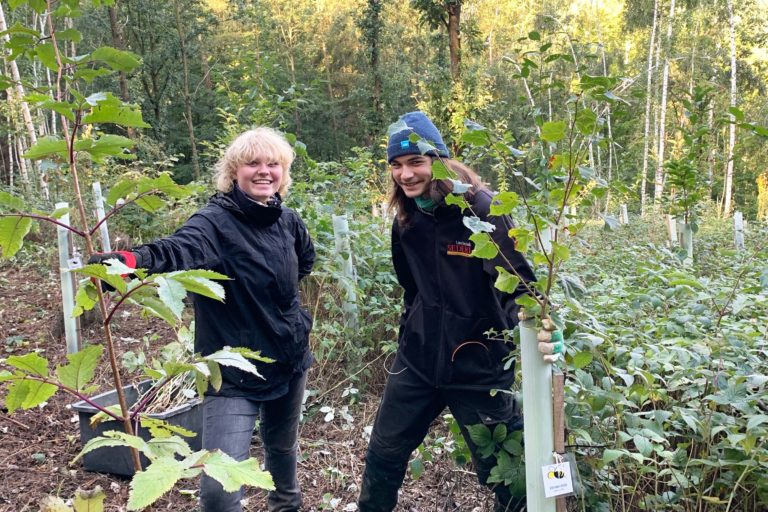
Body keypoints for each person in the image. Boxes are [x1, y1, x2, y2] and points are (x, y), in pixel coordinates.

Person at [89, 127, 315, 512]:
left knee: (282, 450)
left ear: (284, 172)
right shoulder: (215, 223)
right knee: (218, 492)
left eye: (273, 163)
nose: (264, 171)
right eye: (253, 163)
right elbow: (177, 250)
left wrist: (285, 312)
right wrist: (126, 264)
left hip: (288, 358)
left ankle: (286, 507)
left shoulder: (288, 221)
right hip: (231, 371)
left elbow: (304, 262)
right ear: (233, 172)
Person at [358, 112, 560, 512]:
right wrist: (411, 331)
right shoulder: (407, 217)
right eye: (396, 165)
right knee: (383, 455)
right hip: (416, 364)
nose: (406, 174)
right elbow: (410, 286)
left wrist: (542, 323)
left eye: (415, 161)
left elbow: (517, 280)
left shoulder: (481, 210)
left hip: (477, 368)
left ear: (439, 159)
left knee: (506, 469)